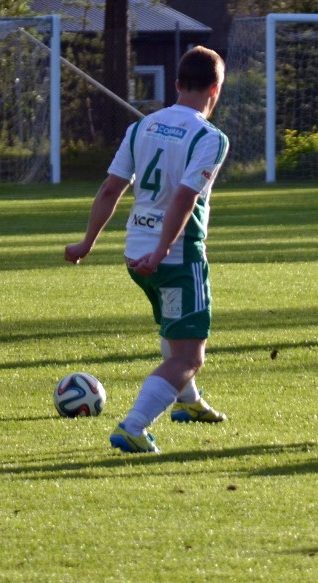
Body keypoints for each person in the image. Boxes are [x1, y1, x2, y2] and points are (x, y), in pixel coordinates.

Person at [64, 46, 230, 454]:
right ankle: (133, 427)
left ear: (176, 84)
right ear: (215, 89)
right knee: (189, 356)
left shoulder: (142, 127)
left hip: (134, 253)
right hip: (176, 257)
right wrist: (162, 251)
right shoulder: (210, 137)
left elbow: (111, 188)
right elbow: (184, 198)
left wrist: (87, 243)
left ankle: (188, 403)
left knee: (174, 332)